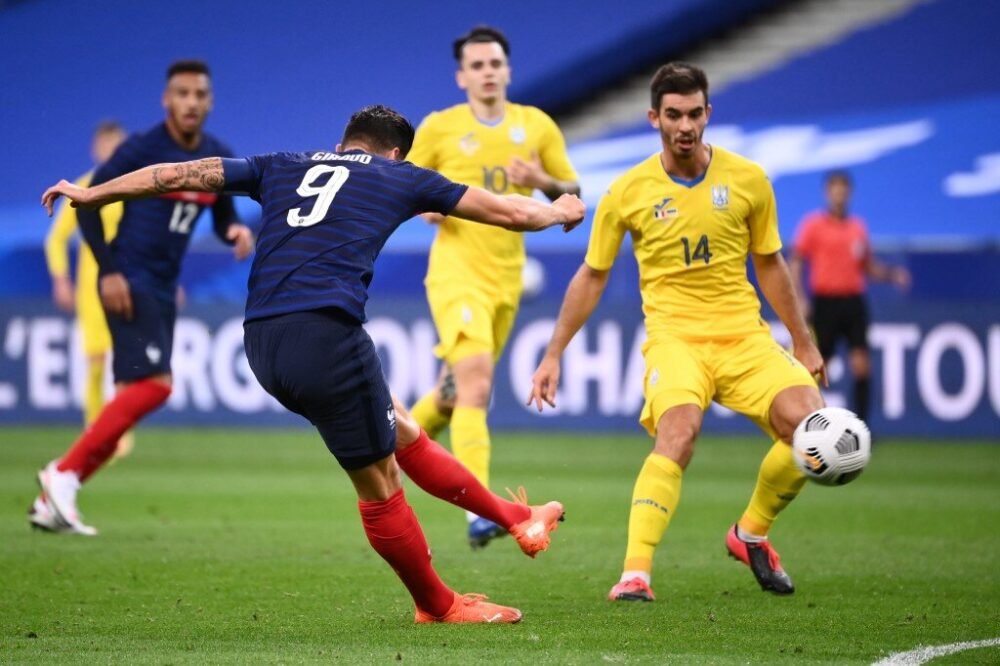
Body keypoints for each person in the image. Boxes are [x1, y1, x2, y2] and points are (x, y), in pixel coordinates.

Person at [41, 104, 583, 623]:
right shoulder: (400, 176)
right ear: (394, 153)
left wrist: (95, 193)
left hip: (262, 342)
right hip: (324, 335)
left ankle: (517, 519)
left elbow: (178, 174)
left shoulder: (282, 165)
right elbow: (510, 211)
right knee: (380, 481)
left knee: (402, 428)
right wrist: (560, 209)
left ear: (342, 142)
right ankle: (438, 605)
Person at [529, 63, 829, 601]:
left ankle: (750, 533)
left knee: (813, 431)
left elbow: (772, 264)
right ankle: (635, 574)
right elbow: (592, 276)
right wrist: (554, 353)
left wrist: (802, 339)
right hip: (676, 341)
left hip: (745, 339)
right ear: (654, 118)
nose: (685, 125)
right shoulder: (628, 191)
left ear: (708, 114)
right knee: (679, 433)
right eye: (673, 115)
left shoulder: (749, 180)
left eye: (694, 114)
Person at [30, 60, 254, 536]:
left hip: (162, 284)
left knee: (138, 391)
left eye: (199, 95)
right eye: (182, 93)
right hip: (130, 277)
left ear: (209, 102)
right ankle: (64, 473)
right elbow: (86, 204)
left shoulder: (216, 153)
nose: (191, 102)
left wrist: (232, 229)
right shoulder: (143, 148)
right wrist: (108, 271)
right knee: (156, 386)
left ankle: (59, 492)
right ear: (166, 100)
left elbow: (221, 211)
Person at [406, 25, 581, 549]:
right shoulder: (440, 128)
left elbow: (572, 196)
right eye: (477, 65)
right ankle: (480, 511)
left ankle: (386, 446)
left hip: (506, 279)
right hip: (456, 273)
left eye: (494, 63)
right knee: (477, 383)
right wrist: (426, 207)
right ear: (462, 76)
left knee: (454, 392)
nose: (487, 72)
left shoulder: (537, 127)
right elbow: (404, 187)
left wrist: (544, 181)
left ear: (507, 70)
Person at [44, 120, 136, 460]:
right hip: (93, 289)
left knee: (128, 362)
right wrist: (60, 279)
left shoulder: (135, 187)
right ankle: (95, 429)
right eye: (107, 147)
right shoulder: (83, 187)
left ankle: (119, 430)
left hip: (131, 286)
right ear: (97, 150)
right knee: (97, 361)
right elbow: (56, 241)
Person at [790, 170, 910, 422]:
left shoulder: (857, 228)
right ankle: (807, 422)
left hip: (853, 302)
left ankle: (862, 426)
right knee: (818, 366)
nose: (839, 195)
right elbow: (797, 262)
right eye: (834, 189)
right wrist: (799, 297)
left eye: (843, 190)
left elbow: (867, 266)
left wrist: (890, 274)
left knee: (861, 365)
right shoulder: (813, 225)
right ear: (827, 193)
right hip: (825, 303)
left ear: (849, 193)